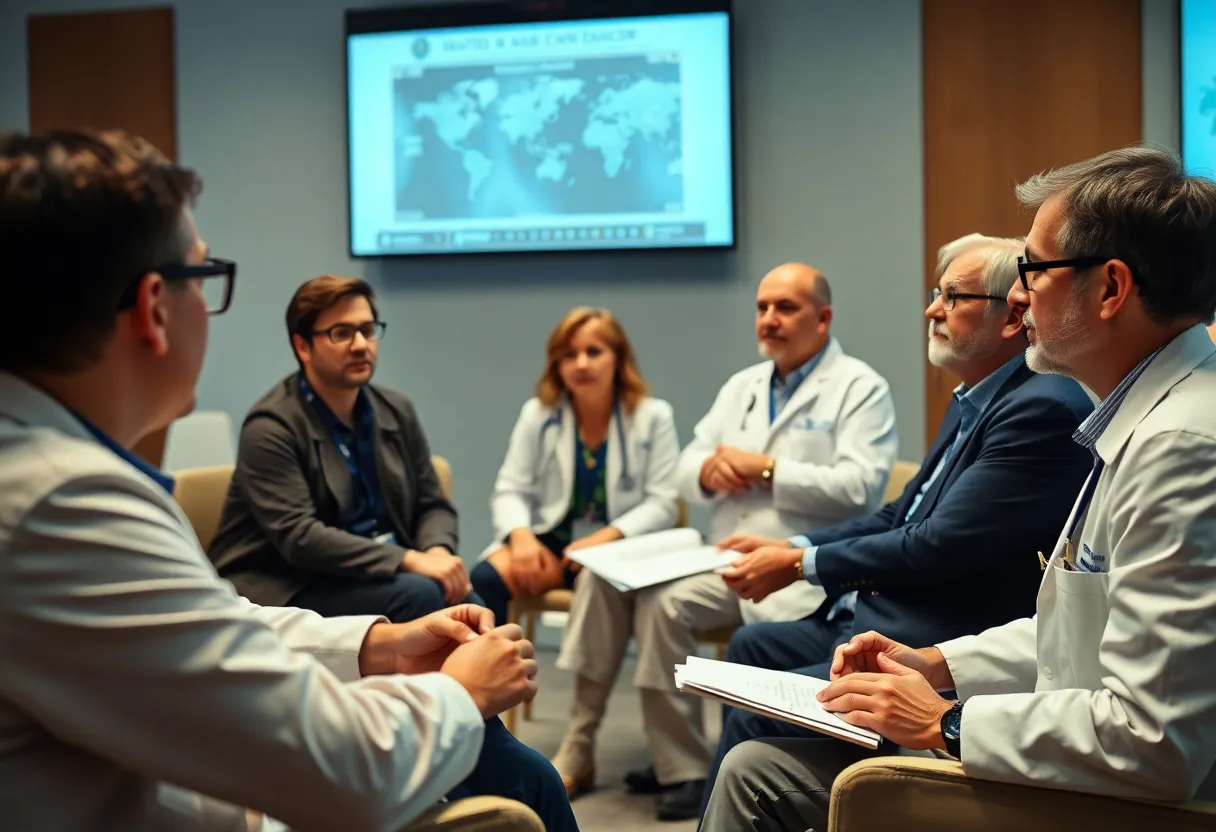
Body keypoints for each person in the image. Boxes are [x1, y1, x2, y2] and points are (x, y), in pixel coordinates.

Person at [0, 128, 578, 832]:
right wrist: (459, 694)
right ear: (155, 307)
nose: (362, 344)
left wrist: (380, 645)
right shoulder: (64, 505)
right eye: (204, 278)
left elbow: (212, 626)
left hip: (292, 673)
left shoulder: (45, 474)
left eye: (370, 329)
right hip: (287, 656)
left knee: (512, 754)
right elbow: (340, 772)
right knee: (506, 780)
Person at [702, 145, 1216, 831]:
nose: (1018, 294)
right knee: (759, 754)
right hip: (1073, 758)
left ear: (1111, 289)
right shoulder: (1141, 418)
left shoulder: (1181, 448)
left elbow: (1153, 743)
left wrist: (946, 722)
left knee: (757, 775)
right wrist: (935, 662)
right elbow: (1077, 635)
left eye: (1033, 268)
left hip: (1114, 802)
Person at [697, 233, 1095, 818]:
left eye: (951, 298)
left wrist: (801, 564)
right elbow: (900, 512)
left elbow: (935, 545)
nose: (932, 310)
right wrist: (795, 546)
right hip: (889, 613)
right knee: (753, 644)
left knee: (752, 714)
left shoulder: (1040, 407)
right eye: (936, 294)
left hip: (934, 629)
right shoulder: (978, 398)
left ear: (1011, 316)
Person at [584, 263, 899, 820]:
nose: (769, 320)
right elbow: (685, 467)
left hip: (799, 568)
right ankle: (678, 764)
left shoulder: (860, 387)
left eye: (785, 308)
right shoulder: (743, 386)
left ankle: (694, 767)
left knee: (668, 609)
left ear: (823, 318)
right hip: (725, 560)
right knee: (661, 605)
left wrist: (771, 469)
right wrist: (710, 473)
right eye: (762, 308)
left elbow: (861, 487)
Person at [209, 276, 476, 623]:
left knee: (472, 602)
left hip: (368, 571)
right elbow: (300, 537)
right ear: (303, 347)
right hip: (288, 581)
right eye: (341, 333)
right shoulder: (271, 426)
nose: (360, 344)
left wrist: (437, 553)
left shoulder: (395, 410)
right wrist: (408, 560)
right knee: (421, 596)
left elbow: (432, 504)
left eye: (368, 329)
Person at [469, 306, 680, 631]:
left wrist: (606, 538)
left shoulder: (652, 417)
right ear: (557, 364)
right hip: (554, 548)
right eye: (569, 355)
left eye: (593, 352)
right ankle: (494, 673)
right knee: (485, 579)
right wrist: (521, 538)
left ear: (618, 359)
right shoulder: (539, 414)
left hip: (619, 546)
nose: (581, 364)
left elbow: (663, 503)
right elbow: (510, 489)